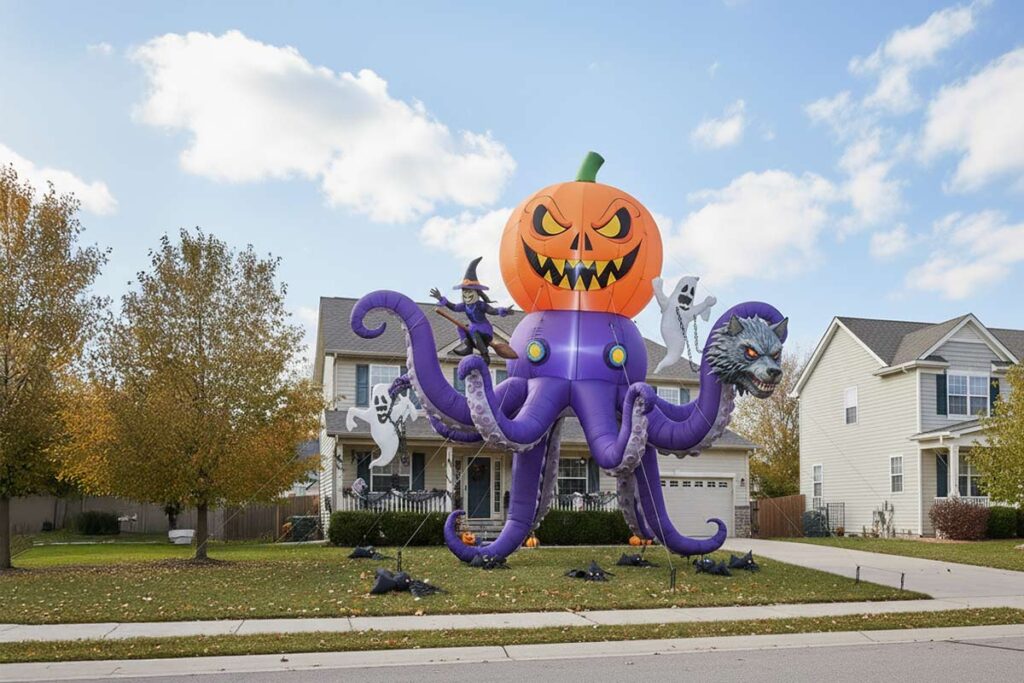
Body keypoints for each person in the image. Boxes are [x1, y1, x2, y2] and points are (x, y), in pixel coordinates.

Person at [430, 257, 513, 365]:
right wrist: (441, 299)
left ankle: (485, 354)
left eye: (470, 292)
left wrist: (503, 310)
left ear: (477, 293)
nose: (467, 295)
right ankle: (468, 346)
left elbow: (492, 311)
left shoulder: (480, 305)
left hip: (485, 333)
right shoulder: (465, 306)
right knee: (461, 327)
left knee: (475, 331)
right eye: (465, 293)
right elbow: (454, 307)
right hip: (474, 333)